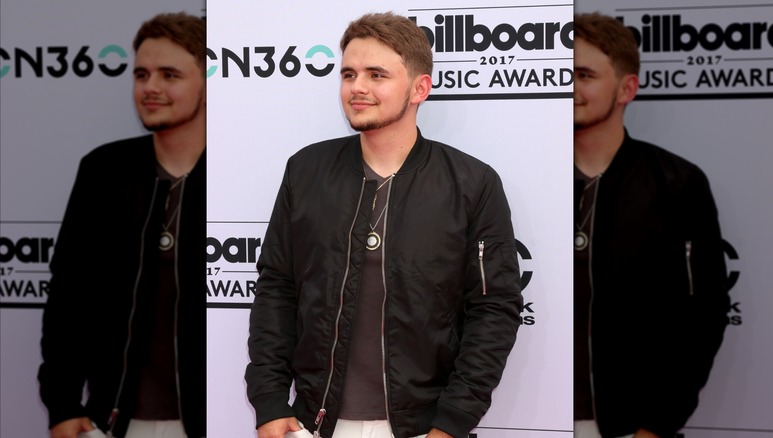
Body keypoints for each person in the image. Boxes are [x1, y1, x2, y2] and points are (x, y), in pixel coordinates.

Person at [244, 11, 523, 438]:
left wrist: (453, 423)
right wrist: (267, 402)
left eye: (377, 75)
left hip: (423, 427)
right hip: (313, 423)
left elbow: (494, 310)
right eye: (349, 74)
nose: (357, 87)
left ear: (419, 88)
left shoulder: (472, 183)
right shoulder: (306, 171)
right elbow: (276, 289)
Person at [37, 12, 206, 438]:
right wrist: (61, 404)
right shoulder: (104, 171)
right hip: (112, 419)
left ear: (208, 81)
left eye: (170, 75)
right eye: (141, 74)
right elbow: (67, 298)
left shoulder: (237, 176)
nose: (150, 87)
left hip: (220, 419)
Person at [572, 12, 730, 438]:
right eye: (562, 74)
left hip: (633, 425)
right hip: (531, 420)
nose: (570, 88)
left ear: (627, 88)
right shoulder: (526, 180)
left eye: (584, 75)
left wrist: (656, 425)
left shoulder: (678, 183)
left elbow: (704, 315)